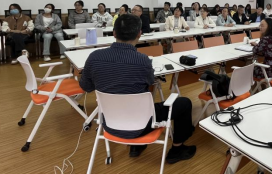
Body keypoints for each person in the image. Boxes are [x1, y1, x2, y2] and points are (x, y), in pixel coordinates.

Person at [79, 14, 196, 163]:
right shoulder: (143, 61)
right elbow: (150, 82)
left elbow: (86, 86)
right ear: (139, 34)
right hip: (142, 124)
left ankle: (136, 147)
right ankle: (177, 150)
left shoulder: (94, 57)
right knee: (184, 103)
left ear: (114, 33)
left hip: (109, 123)